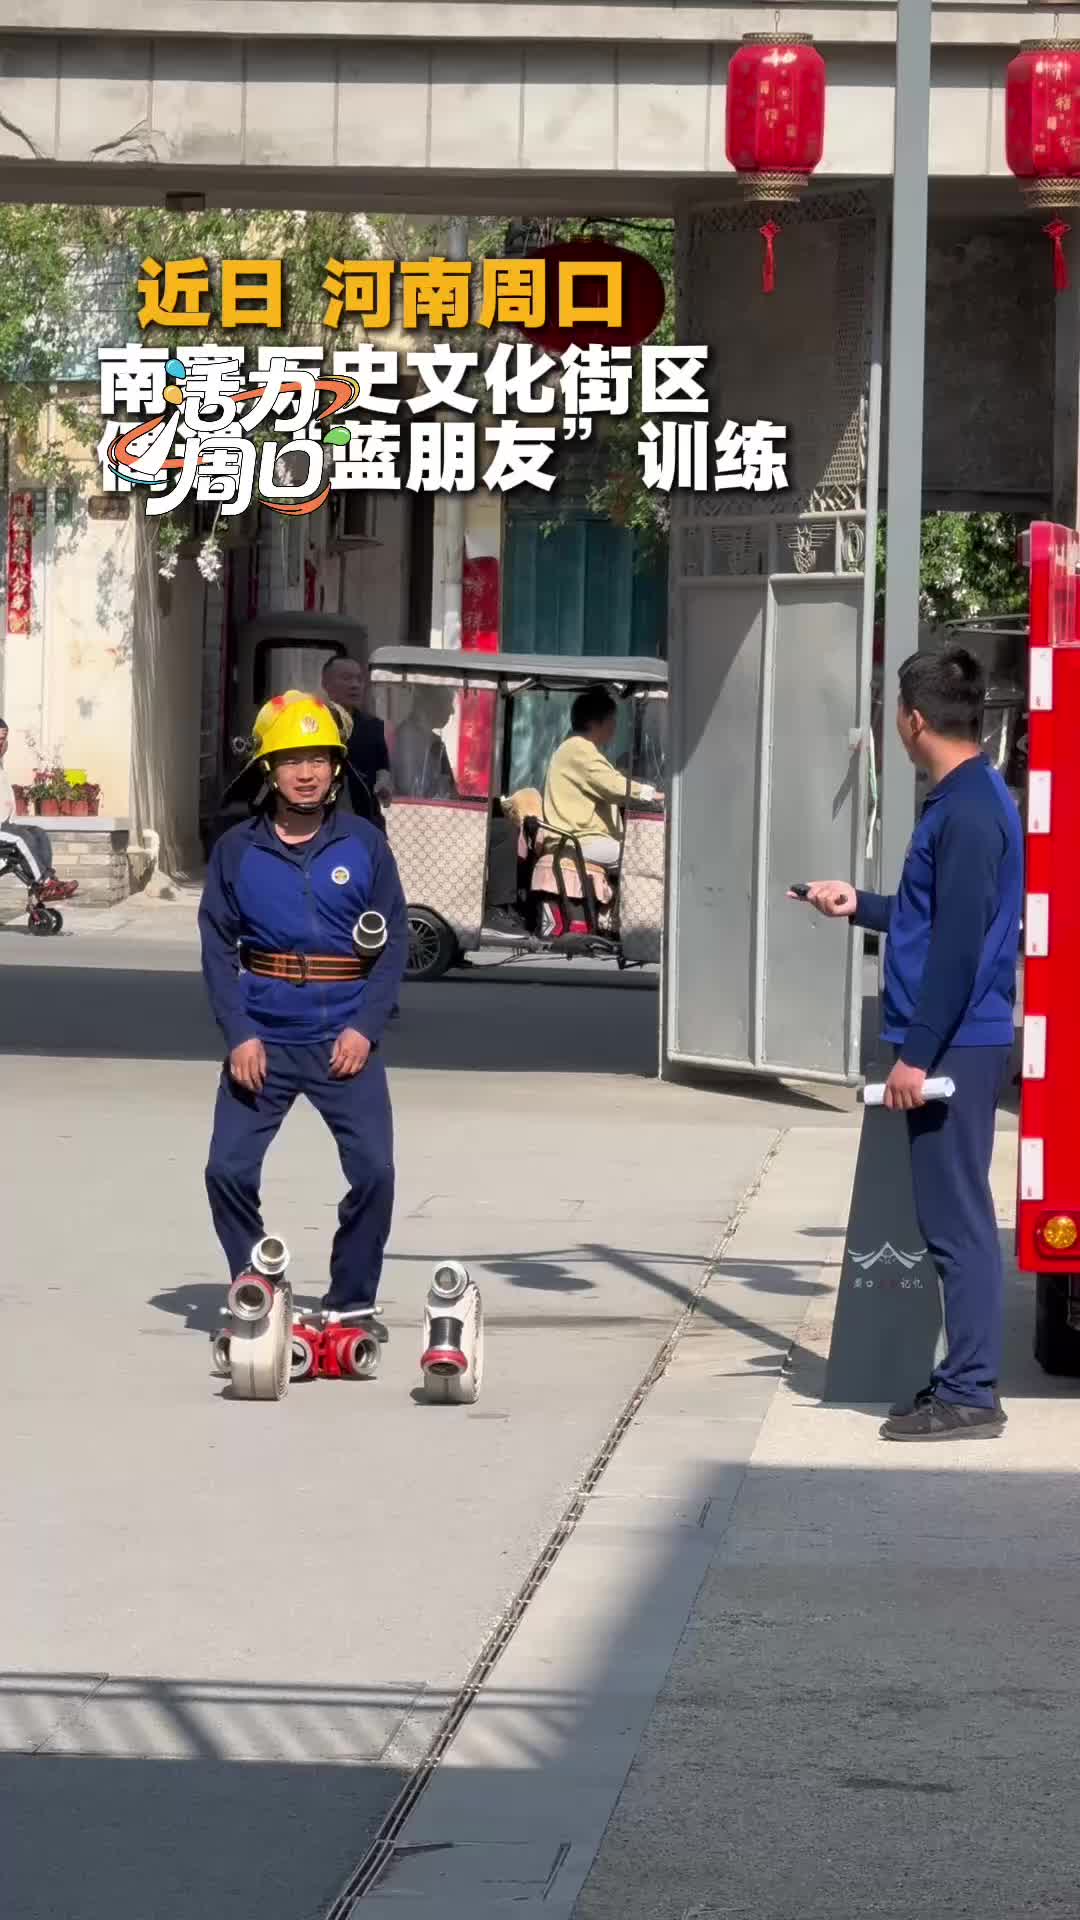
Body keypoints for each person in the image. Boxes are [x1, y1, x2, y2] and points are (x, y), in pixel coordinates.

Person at [791, 646, 1022, 1443]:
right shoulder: (967, 799)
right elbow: (935, 918)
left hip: (955, 1043)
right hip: (957, 1036)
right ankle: (964, 1381)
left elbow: (959, 950)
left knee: (958, 1223)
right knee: (952, 1218)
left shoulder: (967, 812)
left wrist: (917, 1054)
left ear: (912, 720)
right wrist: (860, 905)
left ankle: (971, 1392)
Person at [199, 692, 408, 1337]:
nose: (307, 773)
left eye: (319, 759)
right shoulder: (236, 850)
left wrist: (364, 1028)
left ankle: (351, 1302)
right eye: (292, 760)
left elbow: (394, 942)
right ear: (269, 769)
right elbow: (216, 949)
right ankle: (256, 1284)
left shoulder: (365, 844)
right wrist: (239, 1034)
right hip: (264, 1036)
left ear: (337, 767)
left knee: (374, 1173)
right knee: (227, 1171)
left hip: (344, 1036)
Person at [542, 687, 656, 867]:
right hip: (580, 841)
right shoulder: (579, 749)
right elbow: (612, 785)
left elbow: (603, 778)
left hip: (581, 840)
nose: (615, 726)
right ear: (595, 722)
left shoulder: (575, 747)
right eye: (612, 719)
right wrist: (651, 794)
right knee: (642, 857)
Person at [0, 720, 78, 903]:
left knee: (38, 833)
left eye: (4, 740)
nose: (1, 744)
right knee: (21, 837)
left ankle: (49, 880)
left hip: (5, 825)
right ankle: (44, 884)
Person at [321, 654, 392, 828]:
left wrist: (383, 783)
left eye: (359, 680)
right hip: (321, 819)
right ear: (326, 684)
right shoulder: (314, 723)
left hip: (364, 818)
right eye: (346, 678)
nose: (355, 685)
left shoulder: (373, 726)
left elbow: (383, 766)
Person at [390, 685, 458, 800]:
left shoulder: (436, 743)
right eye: (448, 701)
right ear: (431, 702)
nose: (452, 711)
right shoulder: (405, 737)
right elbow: (408, 792)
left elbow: (452, 793)